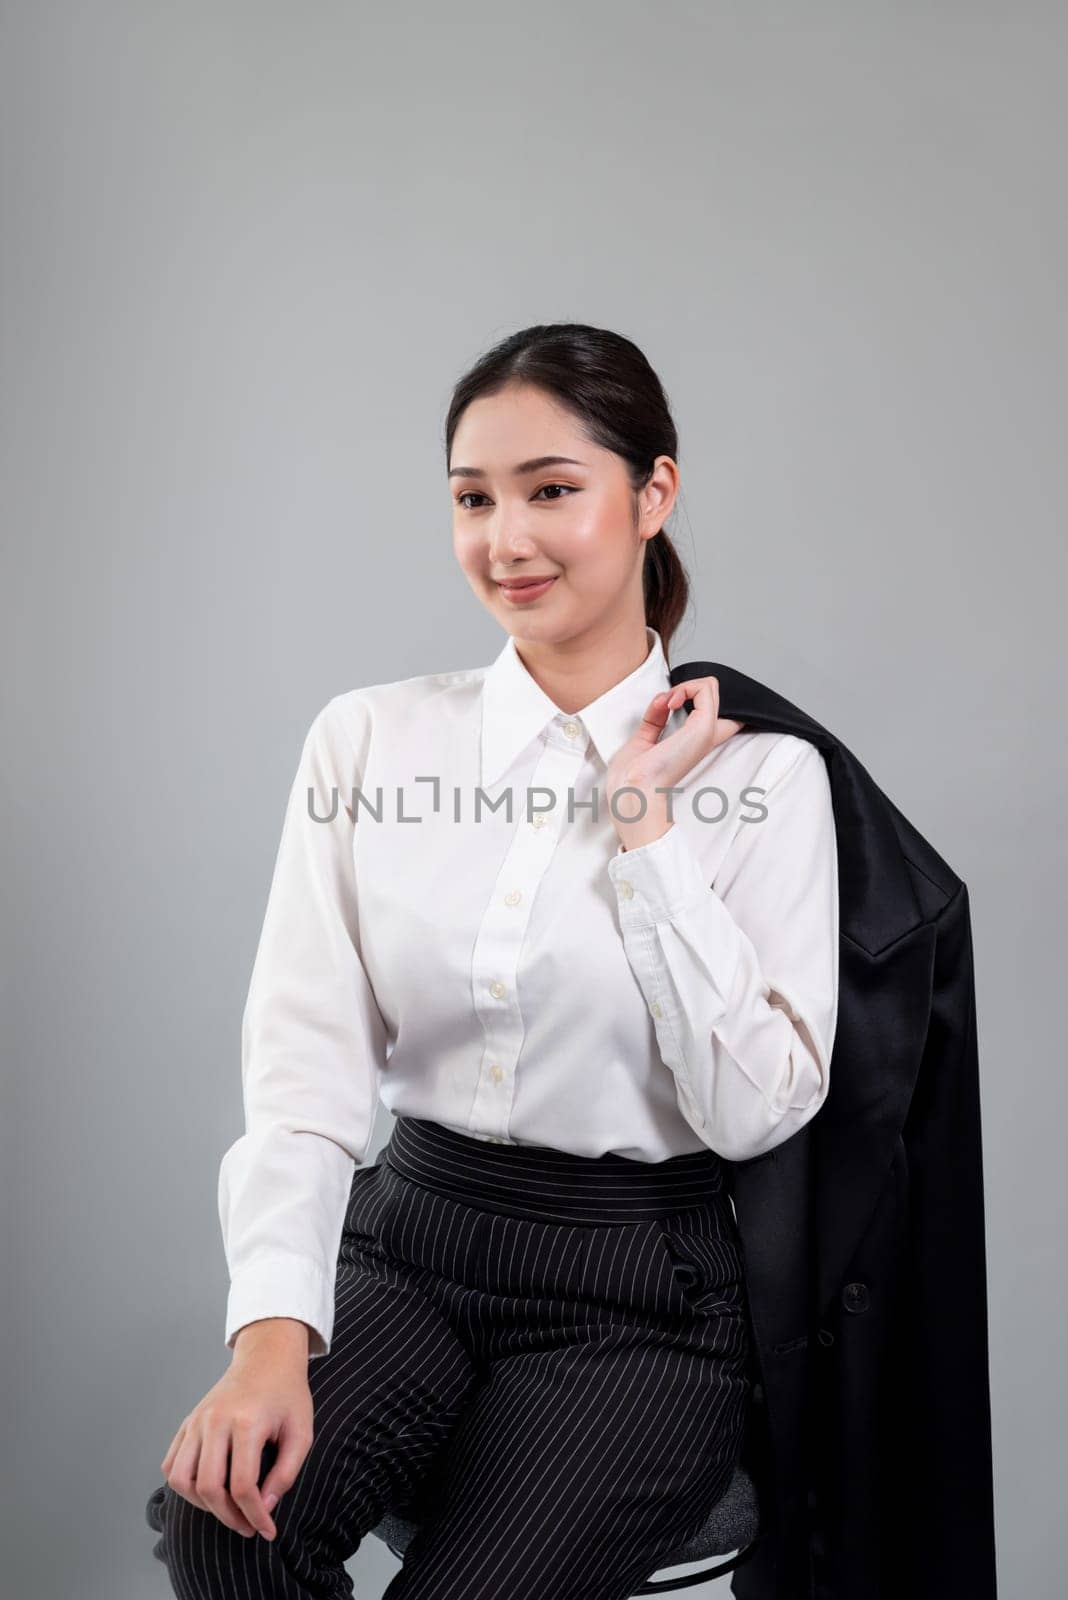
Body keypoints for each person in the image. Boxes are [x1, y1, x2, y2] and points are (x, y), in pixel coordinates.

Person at [144, 322, 839, 1599]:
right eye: (473, 498)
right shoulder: (370, 740)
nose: (505, 541)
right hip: (406, 1243)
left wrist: (645, 832)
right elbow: (303, 1074)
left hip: (635, 1300)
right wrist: (268, 1337)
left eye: (553, 491)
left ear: (655, 494)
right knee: (219, 1524)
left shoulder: (765, 780)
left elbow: (756, 1114)